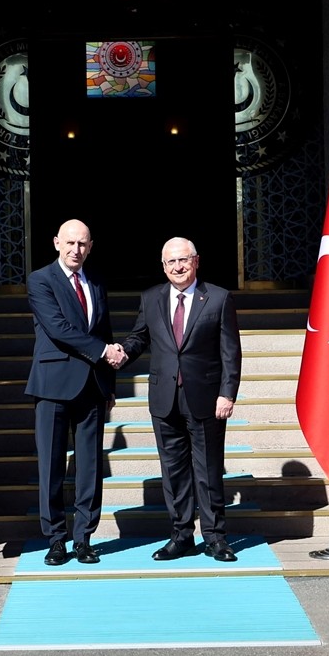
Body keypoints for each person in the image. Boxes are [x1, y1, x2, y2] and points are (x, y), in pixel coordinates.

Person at [119, 238, 242, 562]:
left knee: (208, 470)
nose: (177, 267)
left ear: (196, 261)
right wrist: (122, 353)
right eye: (171, 262)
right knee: (173, 473)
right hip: (164, 400)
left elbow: (230, 352)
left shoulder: (218, 298)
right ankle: (182, 535)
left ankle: (216, 538)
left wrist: (227, 393)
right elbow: (139, 337)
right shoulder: (151, 298)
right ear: (163, 266)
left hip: (205, 398)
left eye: (183, 260)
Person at [25, 219, 121, 566]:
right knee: (51, 465)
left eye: (82, 244)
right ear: (55, 243)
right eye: (69, 243)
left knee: (90, 467)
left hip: (92, 386)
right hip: (52, 385)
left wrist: (109, 383)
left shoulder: (95, 281)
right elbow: (59, 329)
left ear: (90, 246)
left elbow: (105, 328)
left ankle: (83, 538)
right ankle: (55, 539)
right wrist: (103, 351)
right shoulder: (40, 280)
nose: (75, 249)